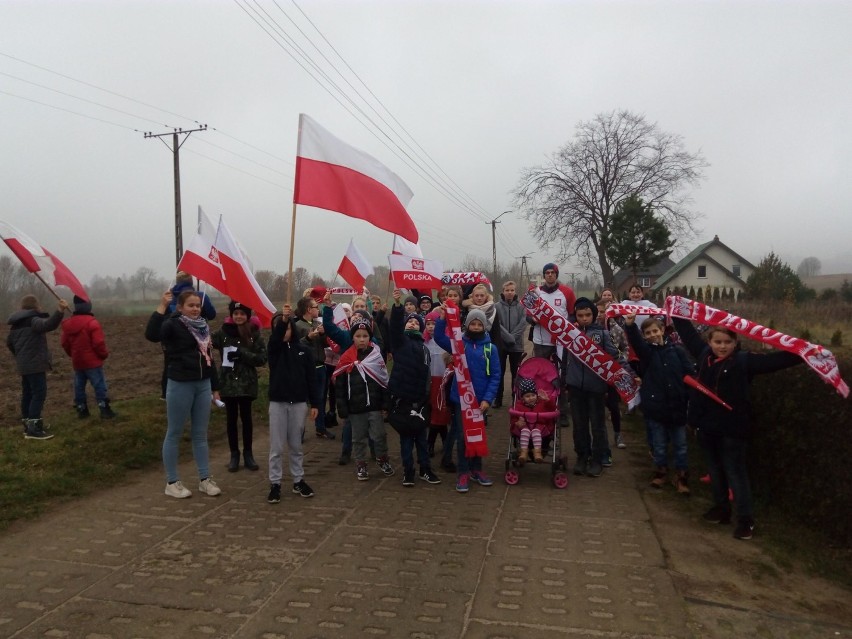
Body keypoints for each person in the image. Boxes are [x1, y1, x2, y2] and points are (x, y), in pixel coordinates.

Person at [672, 317, 803, 540]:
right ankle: (721, 509)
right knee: (715, 471)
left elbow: (776, 362)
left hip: (733, 430)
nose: (722, 346)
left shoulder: (744, 362)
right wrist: (675, 311)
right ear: (710, 341)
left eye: (727, 342)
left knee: (736, 473)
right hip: (707, 427)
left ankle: (745, 521)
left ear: (735, 343)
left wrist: (804, 351)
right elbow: (687, 333)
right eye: (718, 341)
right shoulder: (704, 355)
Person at [145, 290, 222, 499]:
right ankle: (172, 482)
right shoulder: (173, 324)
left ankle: (205, 479)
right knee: (175, 432)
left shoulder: (204, 327)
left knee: (200, 434)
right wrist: (161, 306)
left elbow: (209, 358)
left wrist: (215, 386)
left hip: (203, 384)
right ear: (180, 307)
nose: (195, 309)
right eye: (190, 305)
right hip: (180, 383)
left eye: (197, 305)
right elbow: (151, 334)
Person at [433, 307, 501, 493]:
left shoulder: (490, 349)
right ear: (467, 324)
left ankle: (476, 469)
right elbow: (439, 338)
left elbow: (496, 375)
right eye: (473, 323)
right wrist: (441, 319)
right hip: (461, 400)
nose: (476, 327)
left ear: (484, 326)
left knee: (477, 435)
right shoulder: (458, 345)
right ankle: (463, 472)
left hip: (480, 402)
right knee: (462, 437)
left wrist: (488, 399)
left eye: (480, 324)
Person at [624, 314, 694, 494]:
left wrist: (687, 396)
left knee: (681, 446)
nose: (652, 335)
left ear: (663, 330)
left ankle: (682, 476)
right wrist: (630, 326)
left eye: (655, 330)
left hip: (677, 407)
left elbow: (689, 375)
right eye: (648, 333)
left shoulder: (678, 351)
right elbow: (636, 343)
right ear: (644, 335)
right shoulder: (647, 353)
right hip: (656, 408)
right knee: (659, 445)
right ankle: (660, 471)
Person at [386, 289, 441, 487]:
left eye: (417, 321)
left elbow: (427, 375)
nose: (412, 323)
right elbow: (393, 328)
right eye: (409, 321)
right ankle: (408, 472)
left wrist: (425, 398)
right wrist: (398, 306)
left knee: (422, 440)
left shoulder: (424, 348)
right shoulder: (400, 343)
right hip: (403, 400)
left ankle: (425, 469)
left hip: (420, 401)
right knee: (406, 441)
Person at [332, 318, 394, 481]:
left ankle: (382, 459)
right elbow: (340, 387)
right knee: (358, 438)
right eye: (358, 336)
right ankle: (361, 463)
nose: (361, 339)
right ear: (352, 337)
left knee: (379, 435)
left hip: (374, 405)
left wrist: (385, 404)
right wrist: (342, 407)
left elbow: (383, 381)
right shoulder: (346, 358)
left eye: (365, 336)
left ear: (370, 337)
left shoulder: (376, 356)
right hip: (355, 407)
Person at [266, 304, 317, 502]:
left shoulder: (304, 350)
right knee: (277, 447)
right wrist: (284, 320)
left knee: (296, 445)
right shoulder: (274, 350)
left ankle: (298, 480)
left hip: (298, 403)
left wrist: (315, 404)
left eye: (287, 327)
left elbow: (311, 379)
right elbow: (275, 341)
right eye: (281, 328)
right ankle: (275, 483)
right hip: (278, 403)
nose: (285, 331)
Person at [212, 301, 268, 473]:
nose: (239, 317)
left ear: (247, 316)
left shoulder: (254, 334)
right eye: (235, 313)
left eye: (242, 314)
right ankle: (234, 455)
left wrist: (243, 354)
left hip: (246, 383)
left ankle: (248, 454)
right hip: (227, 383)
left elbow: (262, 358)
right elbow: (206, 343)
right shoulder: (222, 333)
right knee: (231, 420)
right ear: (231, 315)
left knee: (246, 419)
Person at [565, 297, 617, 478]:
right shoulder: (570, 333)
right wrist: (565, 380)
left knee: (597, 425)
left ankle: (597, 458)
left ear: (593, 315)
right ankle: (582, 456)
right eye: (580, 315)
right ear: (576, 316)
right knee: (579, 424)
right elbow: (564, 358)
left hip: (596, 387)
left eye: (588, 315)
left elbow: (613, 356)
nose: (584, 318)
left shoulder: (602, 334)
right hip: (575, 386)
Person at [7, 294, 70, 440]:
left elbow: (9, 344)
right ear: (36, 306)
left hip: (23, 365)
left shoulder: (15, 325)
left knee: (28, 394)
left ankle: (28, 425)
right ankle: (34, 429)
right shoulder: (33, 320)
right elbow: (48, 325)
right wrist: (60, 310)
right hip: (35, 365)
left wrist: (20, 355)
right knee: (39, 393)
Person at [528, 263, 576, 426]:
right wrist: (533, 319)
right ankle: (541, 408)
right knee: (541, 376)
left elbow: (572, 314)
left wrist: (564, 326)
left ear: (556, 275)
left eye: (552, 273)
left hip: (561, 341)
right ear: (543, 275)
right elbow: (528, 315)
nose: (549, 275)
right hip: (541, 341)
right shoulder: (536, 292)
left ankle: (563, 412)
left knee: (561, 377)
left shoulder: (567, 292)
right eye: (547, 273)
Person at [159, 271, 216, 399]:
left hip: (171, 336)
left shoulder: (168, 297)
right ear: (191, 282)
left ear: (177, 282)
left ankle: (166, 393)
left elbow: (163, 317)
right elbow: (212, 315)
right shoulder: (201, 296)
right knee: (203, 358)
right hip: (198, 334)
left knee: (170, 362)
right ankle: (200, 388)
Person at [60, 295, 115, 420]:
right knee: (99, 385)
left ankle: (82, 410)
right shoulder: (92, 323)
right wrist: (103, 355)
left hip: (77, 361)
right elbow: (98, 343)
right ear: (88, 306)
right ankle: (104, 409)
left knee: (79, 386)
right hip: (93, 362)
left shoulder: (67, 324)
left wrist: (72, 354)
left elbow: (64, 343)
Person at [293, 296, 335, 439]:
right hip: (305, 369)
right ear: (308, 310)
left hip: (320, 366)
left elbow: (324, 345)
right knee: (303, 401)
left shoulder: (318, 323)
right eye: (316, 307)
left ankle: (321, 428)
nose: (318, 309)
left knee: (321, 399)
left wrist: (323, 335)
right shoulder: (298, 326)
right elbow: (294, 346)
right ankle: (299, 431)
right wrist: (309, 338)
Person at [597, 298, 628, 450]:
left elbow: (625, 348)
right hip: (596, 373)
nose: (599, 315)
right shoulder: (591, 331)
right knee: (598, 405)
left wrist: (622, 365)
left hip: (613, 372)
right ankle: (599, 438)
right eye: (598, 312)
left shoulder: (617, 330)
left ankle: (617, 433)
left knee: (614, 405)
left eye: (603, 312)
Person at [424, 310, 451, 458]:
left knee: (442, 411)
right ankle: (437, 441)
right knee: (435, 411)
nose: (430, 327)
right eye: (428, 324)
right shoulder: (425, 341)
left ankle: (432, 442)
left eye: (433, 323)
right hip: (430, 381)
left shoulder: (445, 341)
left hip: (443, 380)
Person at [495, 280, 526, 409]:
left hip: (516, 345)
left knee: (516, 373)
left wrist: (513, 338)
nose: (509, 292)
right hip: (501, 344)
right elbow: (497, 325)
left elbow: (523, 323)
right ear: (503, 291)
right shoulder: (496, 307)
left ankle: (515, 398)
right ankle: (498, 398)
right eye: (507, 290)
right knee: (499, 372)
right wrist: (508, 337)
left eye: (512, 290)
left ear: (515, 291)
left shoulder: (521, 307)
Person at [511, 378, 556, 463]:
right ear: (522, 398)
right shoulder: (519, 406)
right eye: (527, 396)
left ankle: (537, 452)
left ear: (536, 395)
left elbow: (552, 409)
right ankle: (523, 452)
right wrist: (517, 423)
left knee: (536, 431)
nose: (531, 398)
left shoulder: (542, 403)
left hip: (541, 429)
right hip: (524, 428)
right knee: (524, 431)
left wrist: (547, 400)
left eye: (533, 395)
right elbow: (514, 418)